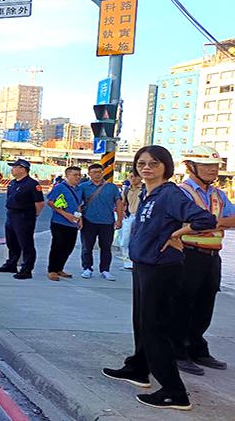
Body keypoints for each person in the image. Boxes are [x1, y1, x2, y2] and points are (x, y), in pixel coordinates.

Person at [102, 145, 217, 411]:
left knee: (155, 328)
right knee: (142, 322)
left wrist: (177, 234)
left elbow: (205, 220)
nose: (146, 168)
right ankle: (138, 368)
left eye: (154, 163)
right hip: (143, 265)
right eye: (141, 163)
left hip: (161, 269)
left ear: (166, 167)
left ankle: (174, 392)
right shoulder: (148, 193)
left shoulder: (169, 194)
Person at [172, 146, 234, 376]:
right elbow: (184, 223)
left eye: (215, 166)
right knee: (182, 304)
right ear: (190, 167)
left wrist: (212, 223)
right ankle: (178, 352)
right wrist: (218, 222)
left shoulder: (218, 194)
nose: (212, 170)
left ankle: (197, 348)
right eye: (206, 165)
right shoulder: (181, 192)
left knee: (205, 304)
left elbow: (233, 218)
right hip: (188, 254)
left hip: (212, 257)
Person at [0, 159, 45, 279]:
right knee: (11, 242)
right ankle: (11, 264)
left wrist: (33, 215)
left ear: (23, 169)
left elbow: (40, 203)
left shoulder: (32, 184)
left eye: (15, 167)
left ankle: (26, 270)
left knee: (26, 244)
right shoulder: (13, 183)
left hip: (24, 216)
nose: (12, 170)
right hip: (11, 214)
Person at [77, 163, 125, 280]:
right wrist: (79, 219)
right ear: (89, 174)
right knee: (87, 247)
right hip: (88, 221)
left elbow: (119, 203)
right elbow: (78, 204)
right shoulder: (83, 187)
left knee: (106, 248)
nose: (97, 174)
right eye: (94, 172)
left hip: (107, 222)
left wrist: (119, 219)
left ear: (103, 173)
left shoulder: (112, 187)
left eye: (99, 172)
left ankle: (105, 270)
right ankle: (87, 268)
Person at [46, 166, 83, 281]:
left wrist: (80, 219)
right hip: (59, 222)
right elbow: (51, 202)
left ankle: (59, 268)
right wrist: (66, 214)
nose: (78, 177)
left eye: (79, 175)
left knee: (68, 247)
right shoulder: (60, 187)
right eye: (75, 175)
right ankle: (52, 270)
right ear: (67, 176)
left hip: (73, 223)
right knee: (57, 246)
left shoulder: (79, 189)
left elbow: (78, 205)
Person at [119, 170, 144, 270]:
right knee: (125, 241)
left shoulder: (145, 189)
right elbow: (122, 202)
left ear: (141, 177)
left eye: (136, 176)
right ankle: (127, 262)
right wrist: (122, 211)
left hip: (141, 218)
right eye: (131, 177)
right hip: (129, 217)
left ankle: (137, 261)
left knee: (139, 240)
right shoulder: (126, 190)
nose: (133, 179)